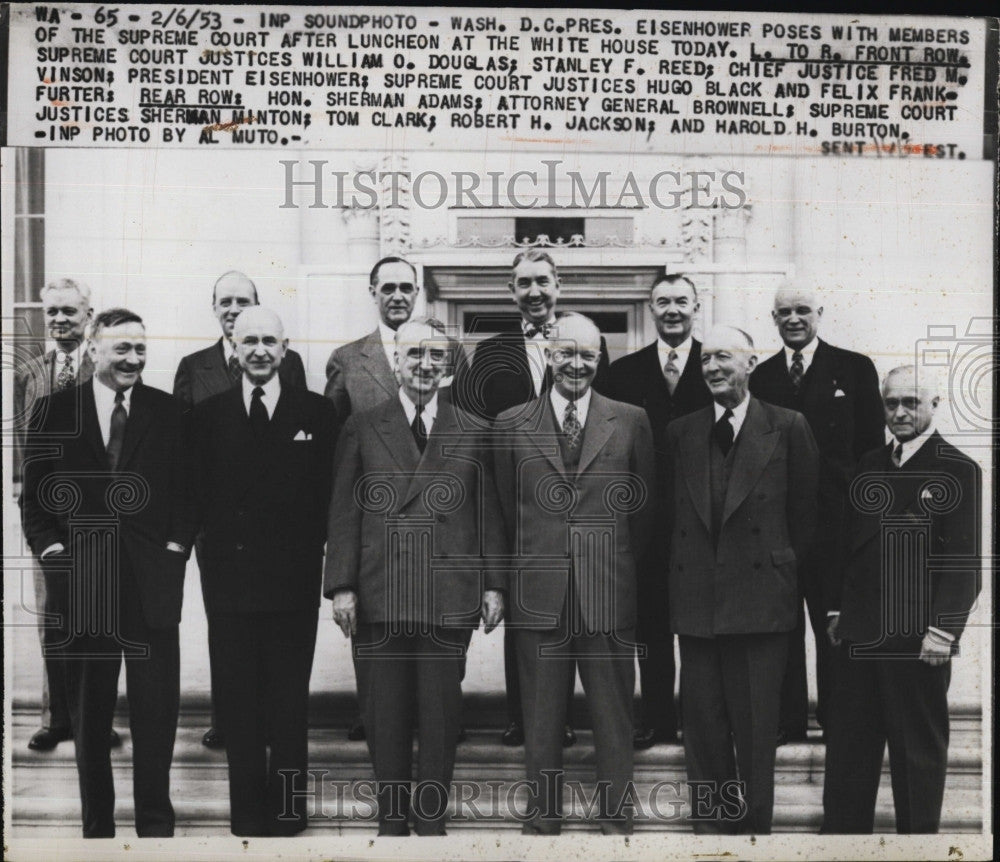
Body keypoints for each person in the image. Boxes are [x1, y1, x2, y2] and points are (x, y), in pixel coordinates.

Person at [325, 317, 505, 836]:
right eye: (414, 356)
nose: (425, 366)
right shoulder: (363, 425)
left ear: (448, 367)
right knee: (384, 715)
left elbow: (487, 513)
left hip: (447, 594)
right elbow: (343, 512)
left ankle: (430, 826)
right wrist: (342, 586)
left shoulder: (473, 427)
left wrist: (493, 584)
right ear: (396, 362)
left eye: (435, 357)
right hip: (381, 592)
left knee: (441, 716)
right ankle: (391, 824)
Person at [20, 308, 192, 837]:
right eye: (122, 349)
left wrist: (174, 547)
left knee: (156, 712)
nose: (134, 359)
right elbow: (36, 499)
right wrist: (54, 556)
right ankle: (97, 826)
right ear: (94, 349)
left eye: (141, 349)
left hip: (151, 586)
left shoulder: (169, 412)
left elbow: (189, 493)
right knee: (91, 716)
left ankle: (155, 824)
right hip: (82, 586)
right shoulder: (53, 411)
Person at [493, 314, 655, 835]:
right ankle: (543, 823)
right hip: (538, 594)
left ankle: (616, 823)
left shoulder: (630, 419)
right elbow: (501, 512)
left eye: (587, 354)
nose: (576, 364)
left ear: (600, 357)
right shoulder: (512, 421)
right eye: (566, 353)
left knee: (613, 716)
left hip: (607, 589)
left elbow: (644, 511)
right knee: (541, 718)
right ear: (550, 357)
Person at [189, 307, 337, 837]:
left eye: (268, 341)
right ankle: (248, 813)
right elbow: (195, 498)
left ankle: (291, 810)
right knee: (238, 700)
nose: (258, 350)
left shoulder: (317, 414)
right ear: (233, 343)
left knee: (289, 701)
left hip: (293, 584)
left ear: (284, 347)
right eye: (248, 340)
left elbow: (329, 499)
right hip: (229, 585)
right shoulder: (207, 416)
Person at [666, 325, 819, 834]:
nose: (711, 367)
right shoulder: (681, 431)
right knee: (704, 735)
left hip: (760, 605)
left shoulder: (788, 425)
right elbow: (669, 520)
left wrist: (786, 576)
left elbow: (806, 517)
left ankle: (753, 838)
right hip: (698, 606)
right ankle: (711, 839)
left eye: (723, 357)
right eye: (705, 359)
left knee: (756, 738)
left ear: (751, 363)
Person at [822, 366, 981, 834]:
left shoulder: (957, 469)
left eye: (911, 402)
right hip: (860, 638)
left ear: (933, 405)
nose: (900, 412)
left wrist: (944, 630)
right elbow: (846, 547)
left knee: (916, 757)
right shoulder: (868, 464)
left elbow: (966, 562)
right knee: (849, 756)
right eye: (891, 403)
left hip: (918, 643)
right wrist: (836, 609)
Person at [323, 256, 470, 742]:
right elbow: (338, 464)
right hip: (380, 549)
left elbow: (463, 443)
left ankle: (437, 718)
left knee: (439, 682)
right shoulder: (349, 358)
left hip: (439, 545)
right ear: (373, 291)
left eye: (407, 287)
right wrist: (341, 576)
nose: (398, 295)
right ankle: (378, 717)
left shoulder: (449, 355)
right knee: (382, 681)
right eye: (388, 287)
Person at [469, 249, 611, 747]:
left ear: (559, 285)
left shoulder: (587, 342)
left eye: (543, 282)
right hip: (518, 486)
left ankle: (572, 715)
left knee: (580, 611)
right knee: (526, 608)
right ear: (512, 292)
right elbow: (479, 428)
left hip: (578, 486)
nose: (534, 292)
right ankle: (523, 716)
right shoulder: (489, 353)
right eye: (524, 283)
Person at [173, 270, 307, 750]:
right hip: (222, 530)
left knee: (276, 628)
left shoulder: (285, 364)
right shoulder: (194, 366)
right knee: (226, 628)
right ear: (214, 308)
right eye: (225, 301)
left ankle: (270, 715)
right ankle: (227, 717)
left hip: (277, 530)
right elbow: (183, 451)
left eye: (243, 300)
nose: (233, 308)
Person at [749, 286, 884, 743]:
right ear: (773, 317)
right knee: (783, 626)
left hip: (836, 523)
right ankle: (788, 722)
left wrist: (865, 520)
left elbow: (871, 450)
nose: (793, 318)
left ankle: (836, 718)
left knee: (834, 625)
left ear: (819, 314)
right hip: (780, 525)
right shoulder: (761, 376)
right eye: (784, 312)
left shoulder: (854, 367)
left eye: (802, 310)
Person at [14, 279, 123, 752]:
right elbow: (25, 451)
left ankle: (95, 719)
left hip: (97, 519)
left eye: (70, 313)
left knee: (98, 618)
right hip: (47, 523)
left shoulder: (105, 368)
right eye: (52, 312)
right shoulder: (29, 375)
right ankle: (56, 717)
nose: (60, 320)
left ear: (89, 315)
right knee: (52, 618)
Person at [608, 274, 713, 749]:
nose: (672, 310)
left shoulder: (717, 366)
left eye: (681, 302)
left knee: (696, 625)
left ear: (697, 307)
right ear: (650, 309)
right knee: (649, 624)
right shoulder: (625, 371)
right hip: (644, 519)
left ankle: (698, 719)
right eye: (663, 302)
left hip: (703, 519)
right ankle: (655, 718)